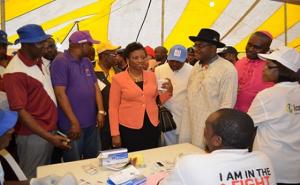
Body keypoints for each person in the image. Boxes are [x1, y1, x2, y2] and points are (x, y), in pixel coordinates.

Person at [3, 24, 70, 179]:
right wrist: (49, 137)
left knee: (45, 176)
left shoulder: (38, 60)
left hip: (47, 131)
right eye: (39, 43)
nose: (44, 46)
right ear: (25, 44)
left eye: (44, 41)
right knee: (33, 177)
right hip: (33, 136)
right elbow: (21, 112)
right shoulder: (15, 72)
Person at [160, 108, 276, 185]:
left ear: (217, 140)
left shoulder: (190, 163)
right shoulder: (263, 159)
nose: (204, 132)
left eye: (206, 129)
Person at [248, 46, 300, 185]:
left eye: (269, 66)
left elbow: (247, 125)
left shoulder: (267, 96)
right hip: (295, 169)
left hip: (270, 167)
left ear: (282, 71)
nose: (264, 69)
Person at [50, 31, 105, 162]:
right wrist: (74, 122)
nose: (92, 47)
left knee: (94, 162)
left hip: (91, 123)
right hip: (72, 126)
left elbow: (95, 87)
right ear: (81, 45)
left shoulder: (86, 61)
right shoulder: (61, 62)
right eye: (90, 44)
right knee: (73, 164)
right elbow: (60, 93)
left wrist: (101, 111)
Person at [179, 28, 238, 149]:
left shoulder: (227, 69)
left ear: (213, 47)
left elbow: (226, 106)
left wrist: (216, 135)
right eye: (195, 45)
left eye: (200, 46)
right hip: (189, 125)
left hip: (209, 131)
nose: (196, 49)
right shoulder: (196, 66)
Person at [109, 42, 173, 152]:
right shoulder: (118, 79)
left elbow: (156, 101)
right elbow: (113, 108)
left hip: (152, 126)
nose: (140, 60)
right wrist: (115, 134)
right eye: (135, 58)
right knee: (133, 160)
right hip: (129, 128)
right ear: (127, 60)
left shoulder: (151, 75)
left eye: (143, 57)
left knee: (151, 157)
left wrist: (169, 92)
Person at [155, 45, 192, 145]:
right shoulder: (158, 70)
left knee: (183, 146)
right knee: (166, 147)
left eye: (178, 62)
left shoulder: (192, 71)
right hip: (165, 117)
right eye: (172, 61)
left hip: (184, 117)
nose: (174, 64)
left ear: (185, 59)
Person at [234, 31, 274, 112]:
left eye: (257, 47)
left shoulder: (271, 68)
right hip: (233, 112)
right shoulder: (239, 63)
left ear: (267, 49)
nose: (250, 49)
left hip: (258, 115)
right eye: (249, 44)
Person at [95, 41, 120, 150]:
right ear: (104, 56)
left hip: (118, 119)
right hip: (101, 121)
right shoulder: (91, 72)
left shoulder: (118, 72)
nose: (117, 57)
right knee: (102, 151)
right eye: (114, 54)